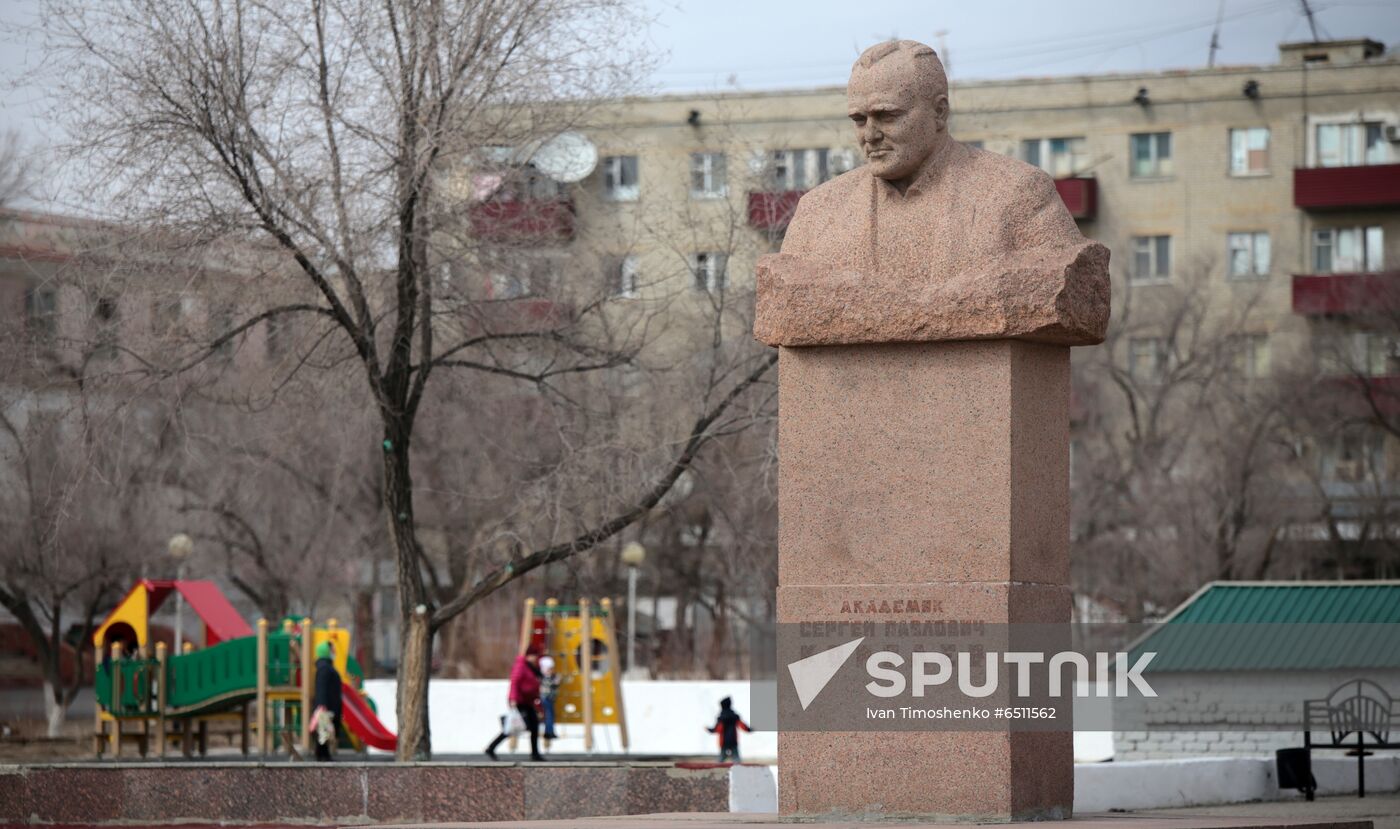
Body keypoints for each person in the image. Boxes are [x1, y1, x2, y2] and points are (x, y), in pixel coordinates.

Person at [754, 39, 1110, 350]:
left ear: (940, 112)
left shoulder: (1016, 192)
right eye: (859, 120)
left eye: (887, 116)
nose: (870, 135)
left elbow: (1077, 296)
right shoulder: (819, 212)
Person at [486, 646, 544, 761]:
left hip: (528, 701)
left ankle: (535, 753)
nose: (535, 658)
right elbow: (515, 682)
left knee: (533, 726)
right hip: (519, 701)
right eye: (534, 656)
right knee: (514, 726)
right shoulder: (521, 666)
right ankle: (491, 747)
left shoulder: (531, 667)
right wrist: (513, 699)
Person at [311, 640, 342, 761]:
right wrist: (322, 705)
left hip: (327, 705)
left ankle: (323, 754)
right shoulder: (324, 668)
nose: (334, 652)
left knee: (324, 731)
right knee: (323, 731)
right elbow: (321, 688)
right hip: (326, 706)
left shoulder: (325, 667)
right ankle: (323, 756)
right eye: (331, 649)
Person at [706, 696, 750, 764]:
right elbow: (742, 726)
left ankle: (717, 772)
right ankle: (738, 771)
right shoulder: (734, 716)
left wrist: (711, 730)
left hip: (724, 742)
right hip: (733, 740)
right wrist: (749, 729)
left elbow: (718, 729)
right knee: (736, 760)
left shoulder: (722, 717)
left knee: (720, 760)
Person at [539, 655, 560, 741]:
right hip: (546, 698)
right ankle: (549, 732)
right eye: (550, 669)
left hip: (548, 698)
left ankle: (549, 731)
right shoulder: (546, 677)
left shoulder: (545, 676)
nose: (552, 671)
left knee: (549, 715)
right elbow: (551, 684)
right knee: (549, 715)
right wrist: (556, 681)